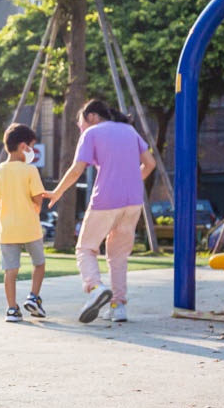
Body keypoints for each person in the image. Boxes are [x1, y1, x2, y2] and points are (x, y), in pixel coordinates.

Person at [47, 99, 156, 323]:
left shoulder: (92, 133)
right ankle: (118, 307)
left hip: (106, 200)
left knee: (85, 248)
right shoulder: (129, 130)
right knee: (118, 256)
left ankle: (95, 287)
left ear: (92, 116)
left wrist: (57, 192)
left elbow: (77, 168)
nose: (81, 129)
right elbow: (150, 164)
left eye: (81, 124)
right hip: (134, 201)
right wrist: (134, 180)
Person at [0, 123, 47, 322]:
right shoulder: (30, 170)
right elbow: (38, 197)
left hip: (7, 229)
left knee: (10, 270)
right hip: (30, 226)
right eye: (31, 147)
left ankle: (12, 309)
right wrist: (35, 208)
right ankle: (33, 297)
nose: (32, 151)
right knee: (39, 263)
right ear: (23, 146)